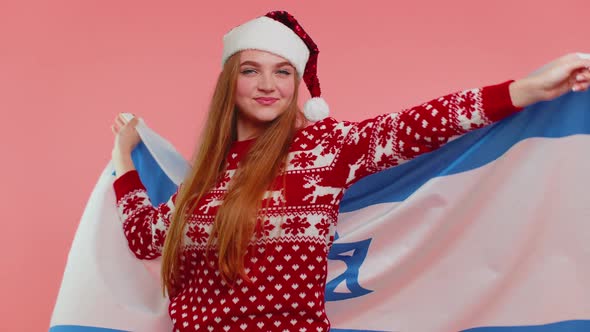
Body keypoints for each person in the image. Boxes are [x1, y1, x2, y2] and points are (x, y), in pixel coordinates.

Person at [110, 10, 590, 332]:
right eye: (250, 70)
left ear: (298, 84)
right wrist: (122, 158)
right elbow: (144, 236)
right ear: (228, 81)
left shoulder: (325, 147)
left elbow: (417, 126)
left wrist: (525, 89)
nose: (267, 85)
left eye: (283, 72)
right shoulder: (201, 182)